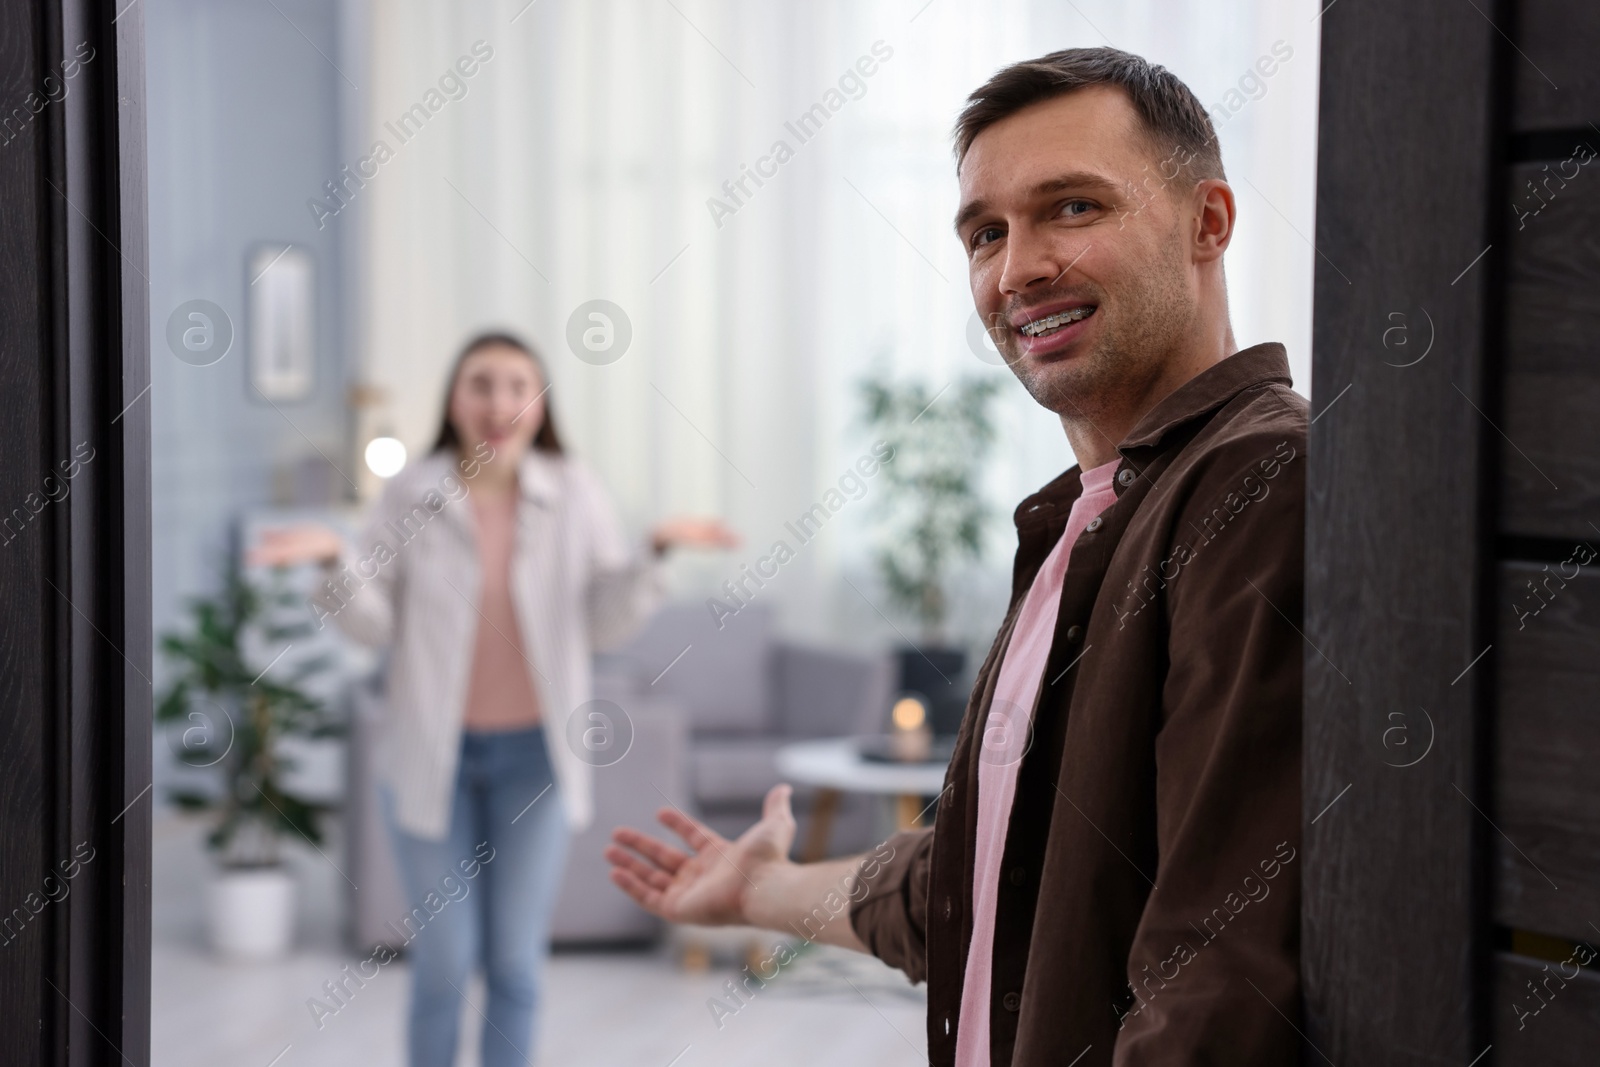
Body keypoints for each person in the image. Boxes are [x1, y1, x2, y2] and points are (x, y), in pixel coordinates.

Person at [605, 48, 1305, 1066]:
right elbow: (990, 874)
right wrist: (758, 887)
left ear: (1207, 222)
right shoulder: (1086, 518)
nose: (1017, 268)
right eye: (986, 231)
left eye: (1071, 207)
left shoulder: (1258, 481)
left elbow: (1220, 975)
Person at [252, 331, 737, 1067]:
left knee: (514, 963)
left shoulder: (574, 490)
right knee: (444, 962)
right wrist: (334, 563)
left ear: (540, 406)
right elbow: (373, 625)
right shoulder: (412, 492)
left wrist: (652, 556)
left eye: (519, 385)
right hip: (429, 758)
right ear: (455, 398)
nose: (500, 401)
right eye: (482, 383)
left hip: (533, 761)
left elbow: (603, 620)